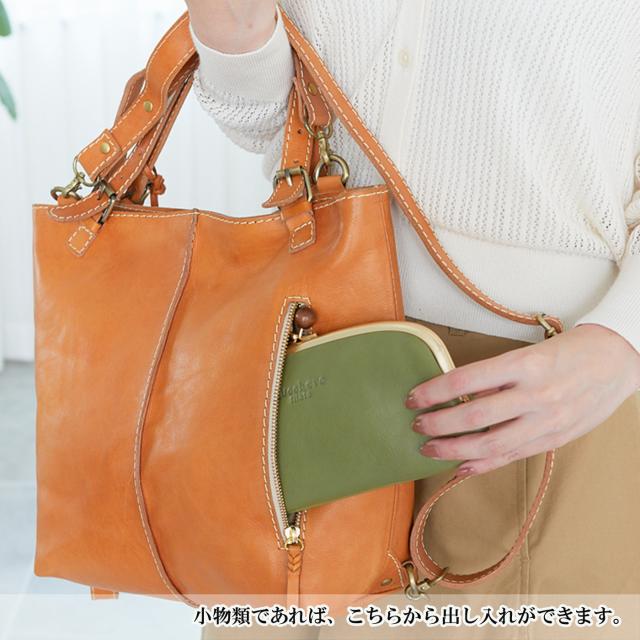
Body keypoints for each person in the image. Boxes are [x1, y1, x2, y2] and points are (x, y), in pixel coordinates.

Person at [185, 1, 640, 638]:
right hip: (303, 364)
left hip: (528, 397)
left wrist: (624, 340)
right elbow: (269, 118)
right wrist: (232, 26)